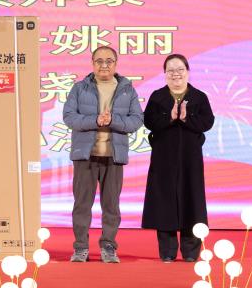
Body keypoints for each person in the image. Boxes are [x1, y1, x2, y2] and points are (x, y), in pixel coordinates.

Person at [63, 46, 143, 263]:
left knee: (111, 206)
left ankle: (108, 247)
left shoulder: (127, 89)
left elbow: (136, 120)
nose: (104, 65)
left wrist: (113, 121)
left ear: (116, 63)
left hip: (113, 157)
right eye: (99, 61)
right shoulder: (80, 88)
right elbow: (69, 117)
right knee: (82, 205)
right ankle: (80, 248)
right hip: (85, 157)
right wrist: (96, 120)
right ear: (92, 63)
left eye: (109, 61)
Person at [141, 54, 215, 262]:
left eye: (180, 69)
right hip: (163, 157)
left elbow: (207, 122)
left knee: (192, 199)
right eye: (171, 70)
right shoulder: (158, 96)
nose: (176, 74)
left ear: (187, 72)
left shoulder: (199, 97)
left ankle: (191, 252)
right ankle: (167, 251)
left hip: (190, 158)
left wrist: (186, 117)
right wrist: (170, 117)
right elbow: (149, 121)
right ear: (165, 74)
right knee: (164, 201)